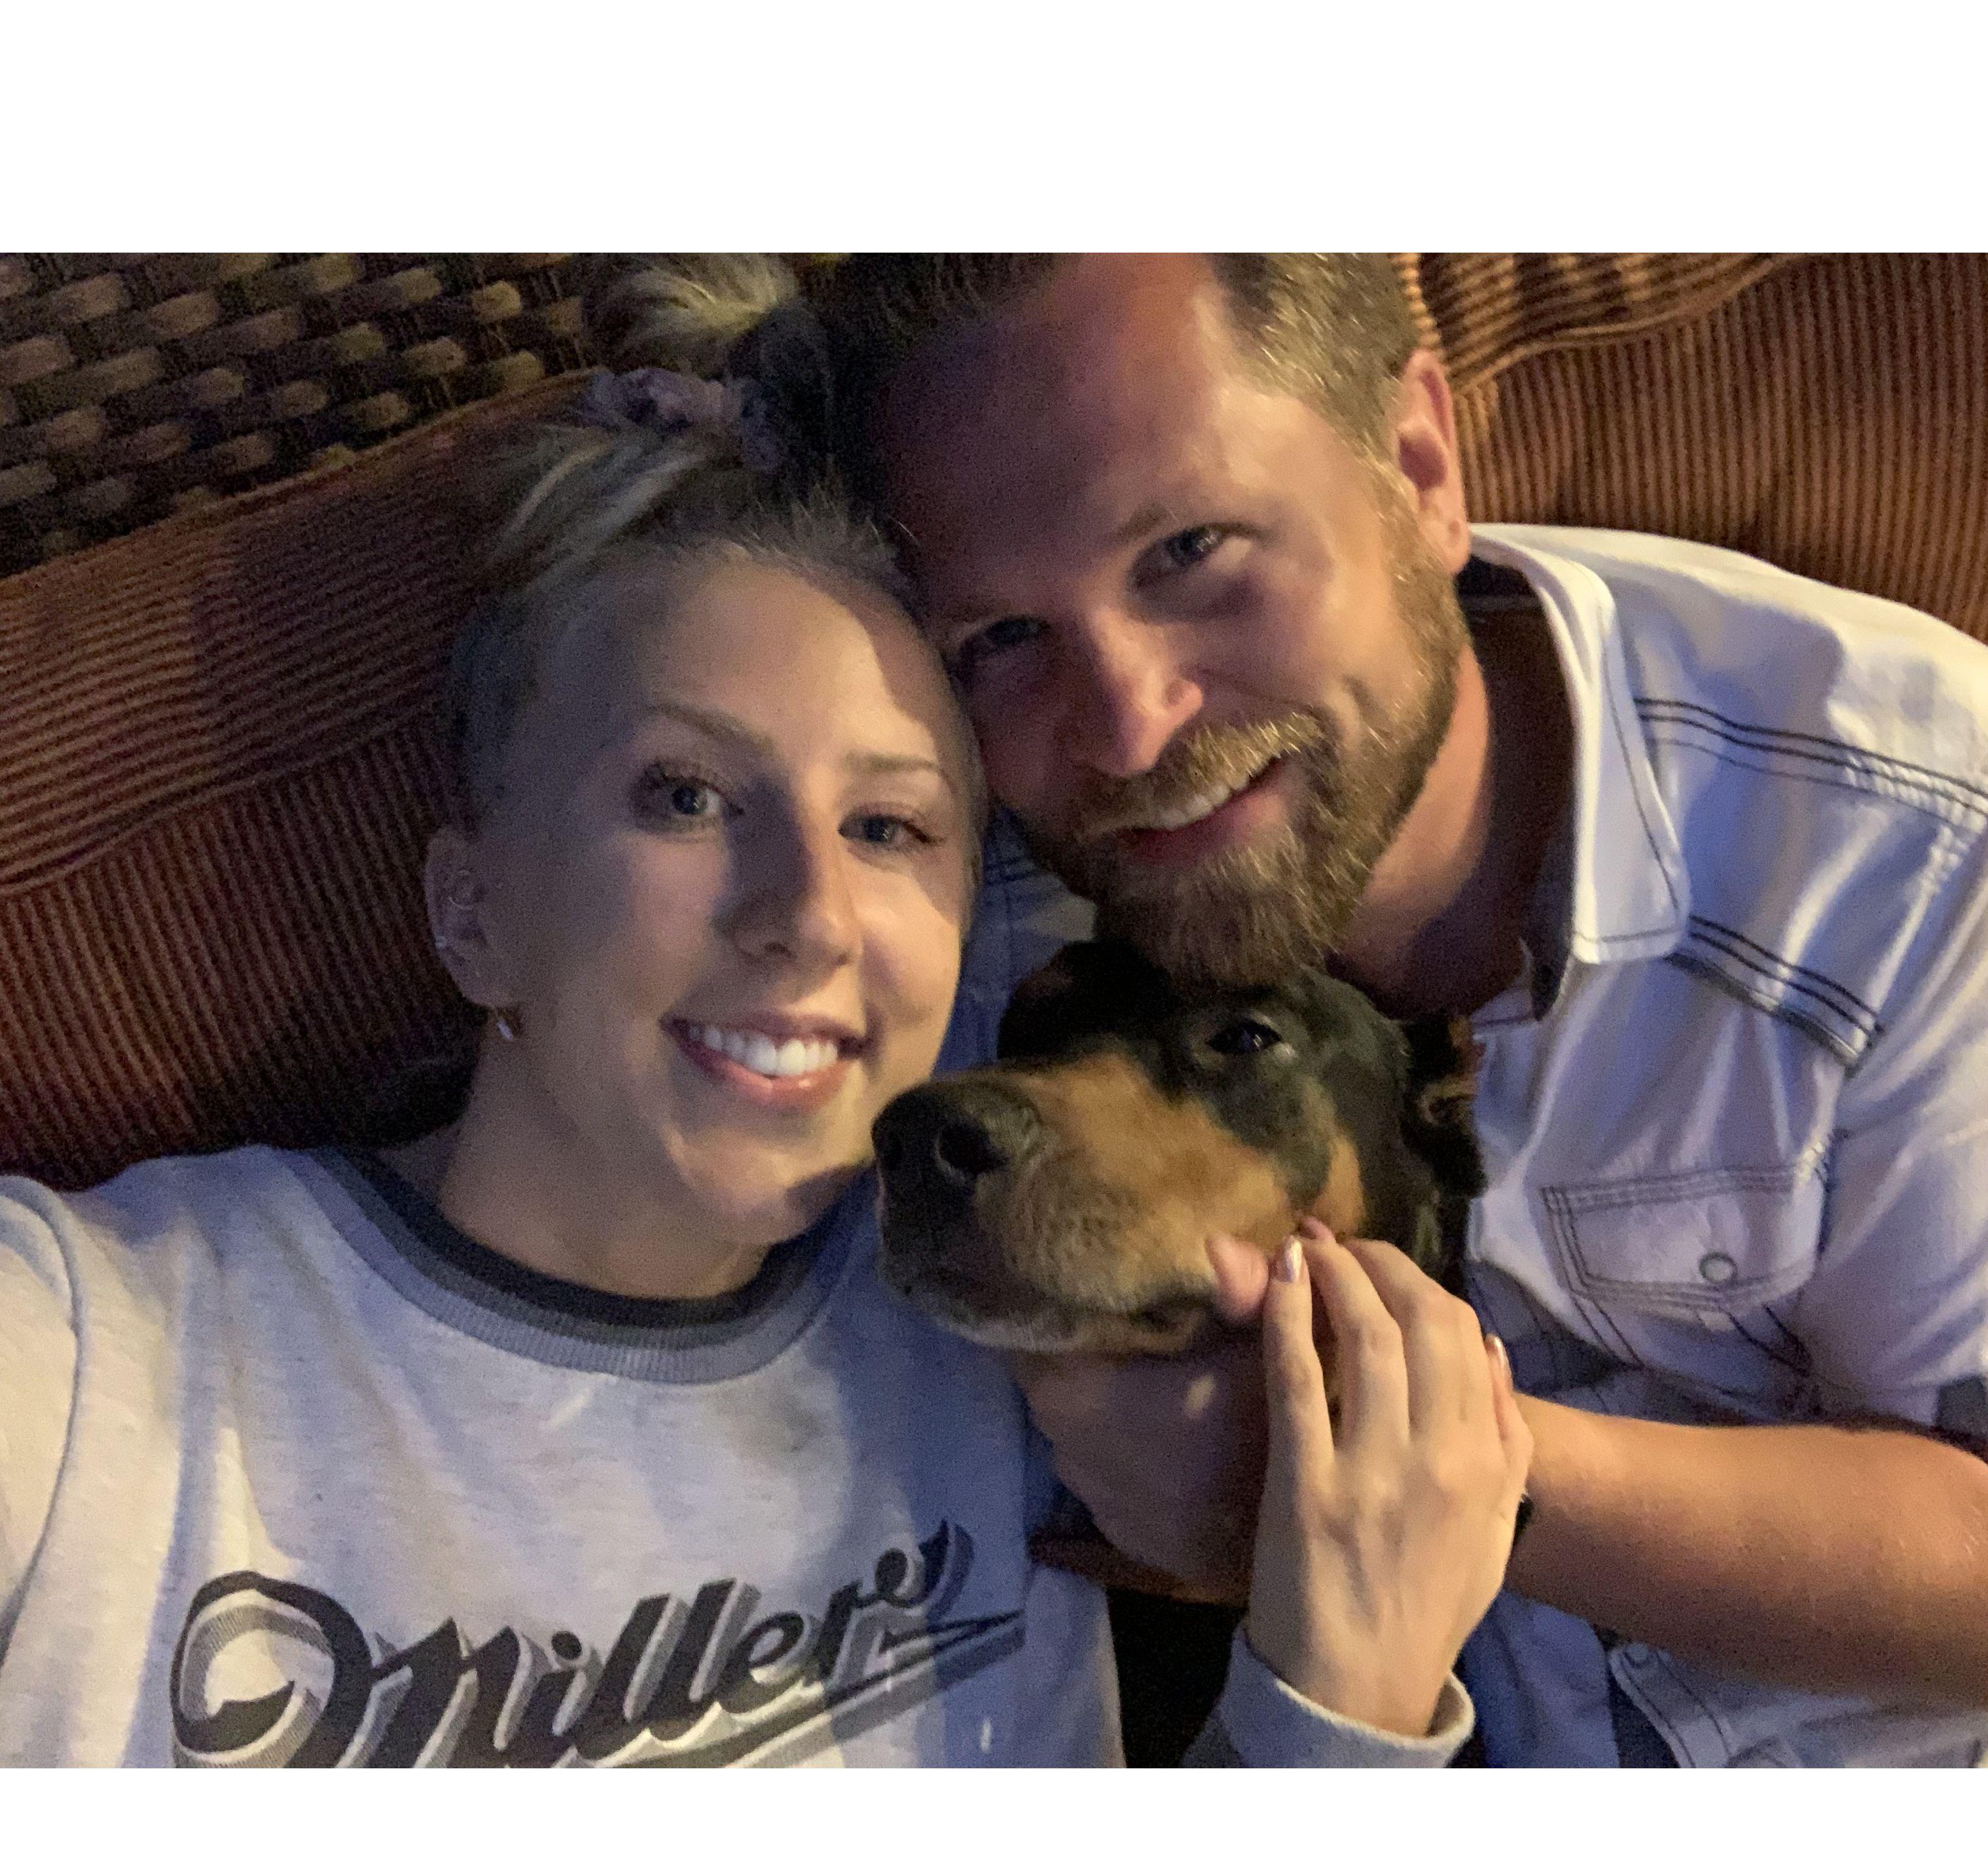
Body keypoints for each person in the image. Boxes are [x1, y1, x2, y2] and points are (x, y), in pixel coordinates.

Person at [0, 256, 1528, 1768]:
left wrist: (1334, 1695)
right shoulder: (94, 1365)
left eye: (887, 825)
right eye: (683, 794)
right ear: (471, 910)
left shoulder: (997, 1325)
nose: (808, 911)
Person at [744, 250, 1988, 1768]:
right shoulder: (947, 860)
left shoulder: (1922, 838)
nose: (1128, 725)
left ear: (1417, 466)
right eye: (1004, 636)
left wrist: (1355, 1467)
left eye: (1189, 550)